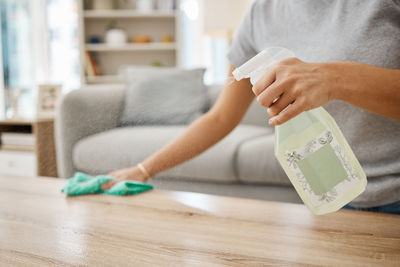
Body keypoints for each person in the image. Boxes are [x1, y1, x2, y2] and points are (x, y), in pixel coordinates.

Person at [102, 0, 400, 214]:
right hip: (333, 199)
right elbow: (220, 117)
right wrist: (143, 169)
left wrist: (335, 79)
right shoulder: (261, 14)